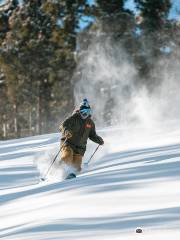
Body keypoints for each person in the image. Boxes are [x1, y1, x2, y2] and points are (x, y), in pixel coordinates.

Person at [59, 99, 104, 178]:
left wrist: (98, 140)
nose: (85, 114)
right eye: (83, 112)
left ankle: (71, 176)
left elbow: (92, 135)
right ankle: (60, 171)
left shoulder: (90, 123)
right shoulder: (73, 118)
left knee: (77, 168)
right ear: (79, 111)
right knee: (67, 156)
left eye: (87, 112)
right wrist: (66, 131)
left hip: (80, 149)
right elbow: (63, 125)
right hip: (68, 144)